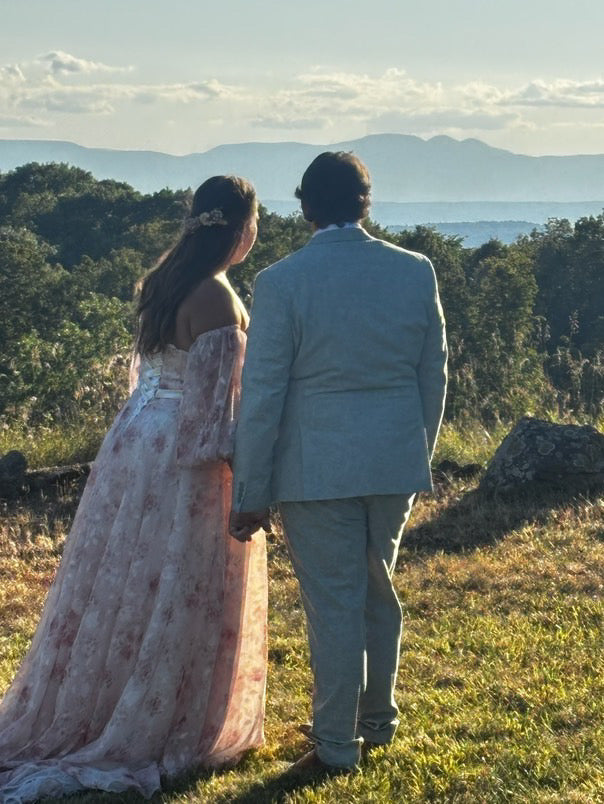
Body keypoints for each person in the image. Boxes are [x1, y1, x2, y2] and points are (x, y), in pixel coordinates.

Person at [0, 175, 267, 802]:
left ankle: (95, 694)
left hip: (134, 440)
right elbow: (214, 416)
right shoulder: (218, 300)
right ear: (243, 230)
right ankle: (157, 711)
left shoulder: (161, 283)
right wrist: (246, 480)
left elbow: (145, 377)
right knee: (178, 575)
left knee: (122, 576)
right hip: (181, 451)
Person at [229, 152, 447, 774]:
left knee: (334, 605)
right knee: (378, 590)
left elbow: (264, 393)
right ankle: (376, 721)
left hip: (314, 467)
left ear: (305, 207)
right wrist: (416, 452)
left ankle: (335, 744)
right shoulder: (414, 271)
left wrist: (251, 488)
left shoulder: (281, 282)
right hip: (393, 458)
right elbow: (433, 375)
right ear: (365, 203)